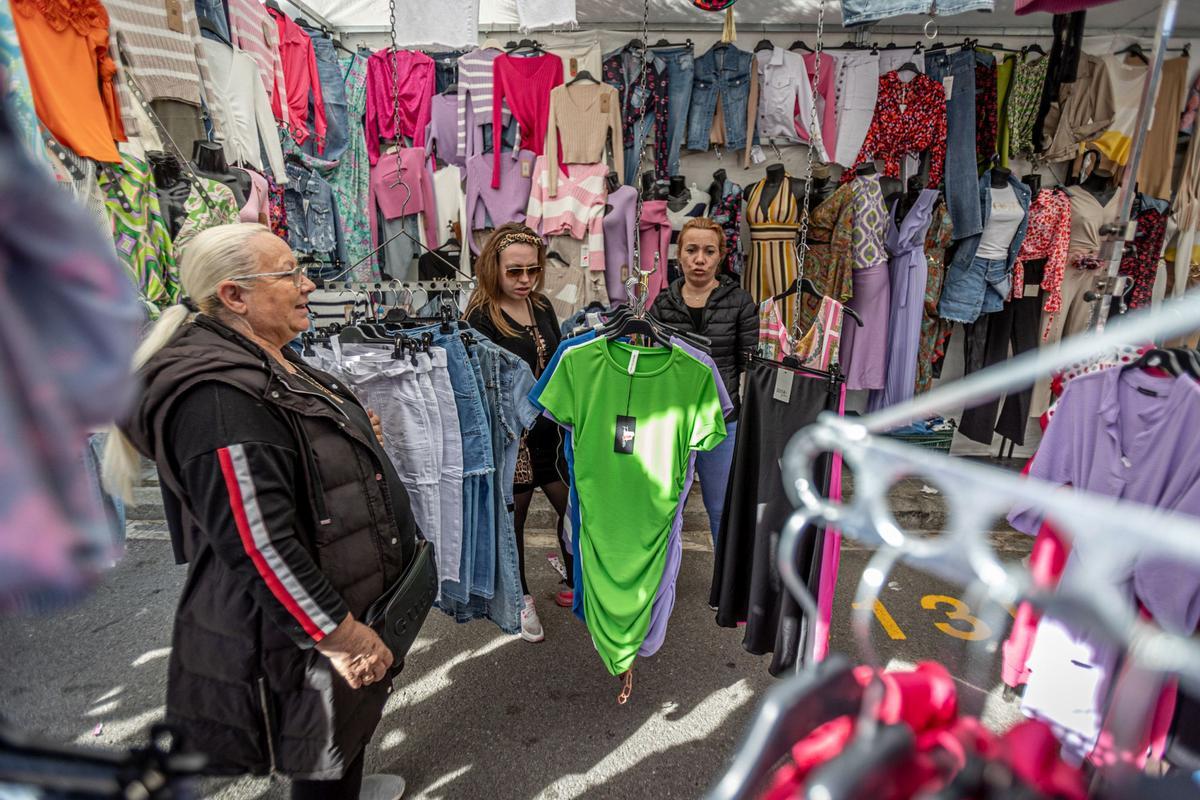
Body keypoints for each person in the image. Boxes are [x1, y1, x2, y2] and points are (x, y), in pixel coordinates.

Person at [103, 223, 418, 800]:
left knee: (338, 732)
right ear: (234, 295)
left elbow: (288, 455)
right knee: (321, 743)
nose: (308, 283)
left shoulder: (262, 358)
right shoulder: (219, 397)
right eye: (291, 273)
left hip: (333, 587)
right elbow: (257, 542)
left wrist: (346, 436)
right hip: (302, 623)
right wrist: (340, 635)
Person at [464, 222, 572, 643]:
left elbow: (558, 362)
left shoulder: (542, 305)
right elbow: (476, 387)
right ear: (494, 268)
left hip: (553, 434)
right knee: (515, 524)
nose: (525, 280)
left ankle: (574, 580)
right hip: (513, 442)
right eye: (515, 272)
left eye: (532, 270)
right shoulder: (479, 317)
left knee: (573, 511)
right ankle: (520, 597)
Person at [649, 217, 757, 545]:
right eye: (692, 250)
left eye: (709, 251)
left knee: (722, 508)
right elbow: (654, 367)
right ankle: (660, 585)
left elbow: (749, 366)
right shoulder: (663, 304)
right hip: (673, 421)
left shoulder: (739, 302)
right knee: (665, 509)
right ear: (679, 255)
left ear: (721, 256)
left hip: (723, 422)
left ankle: (727, 591)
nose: (700, 259)